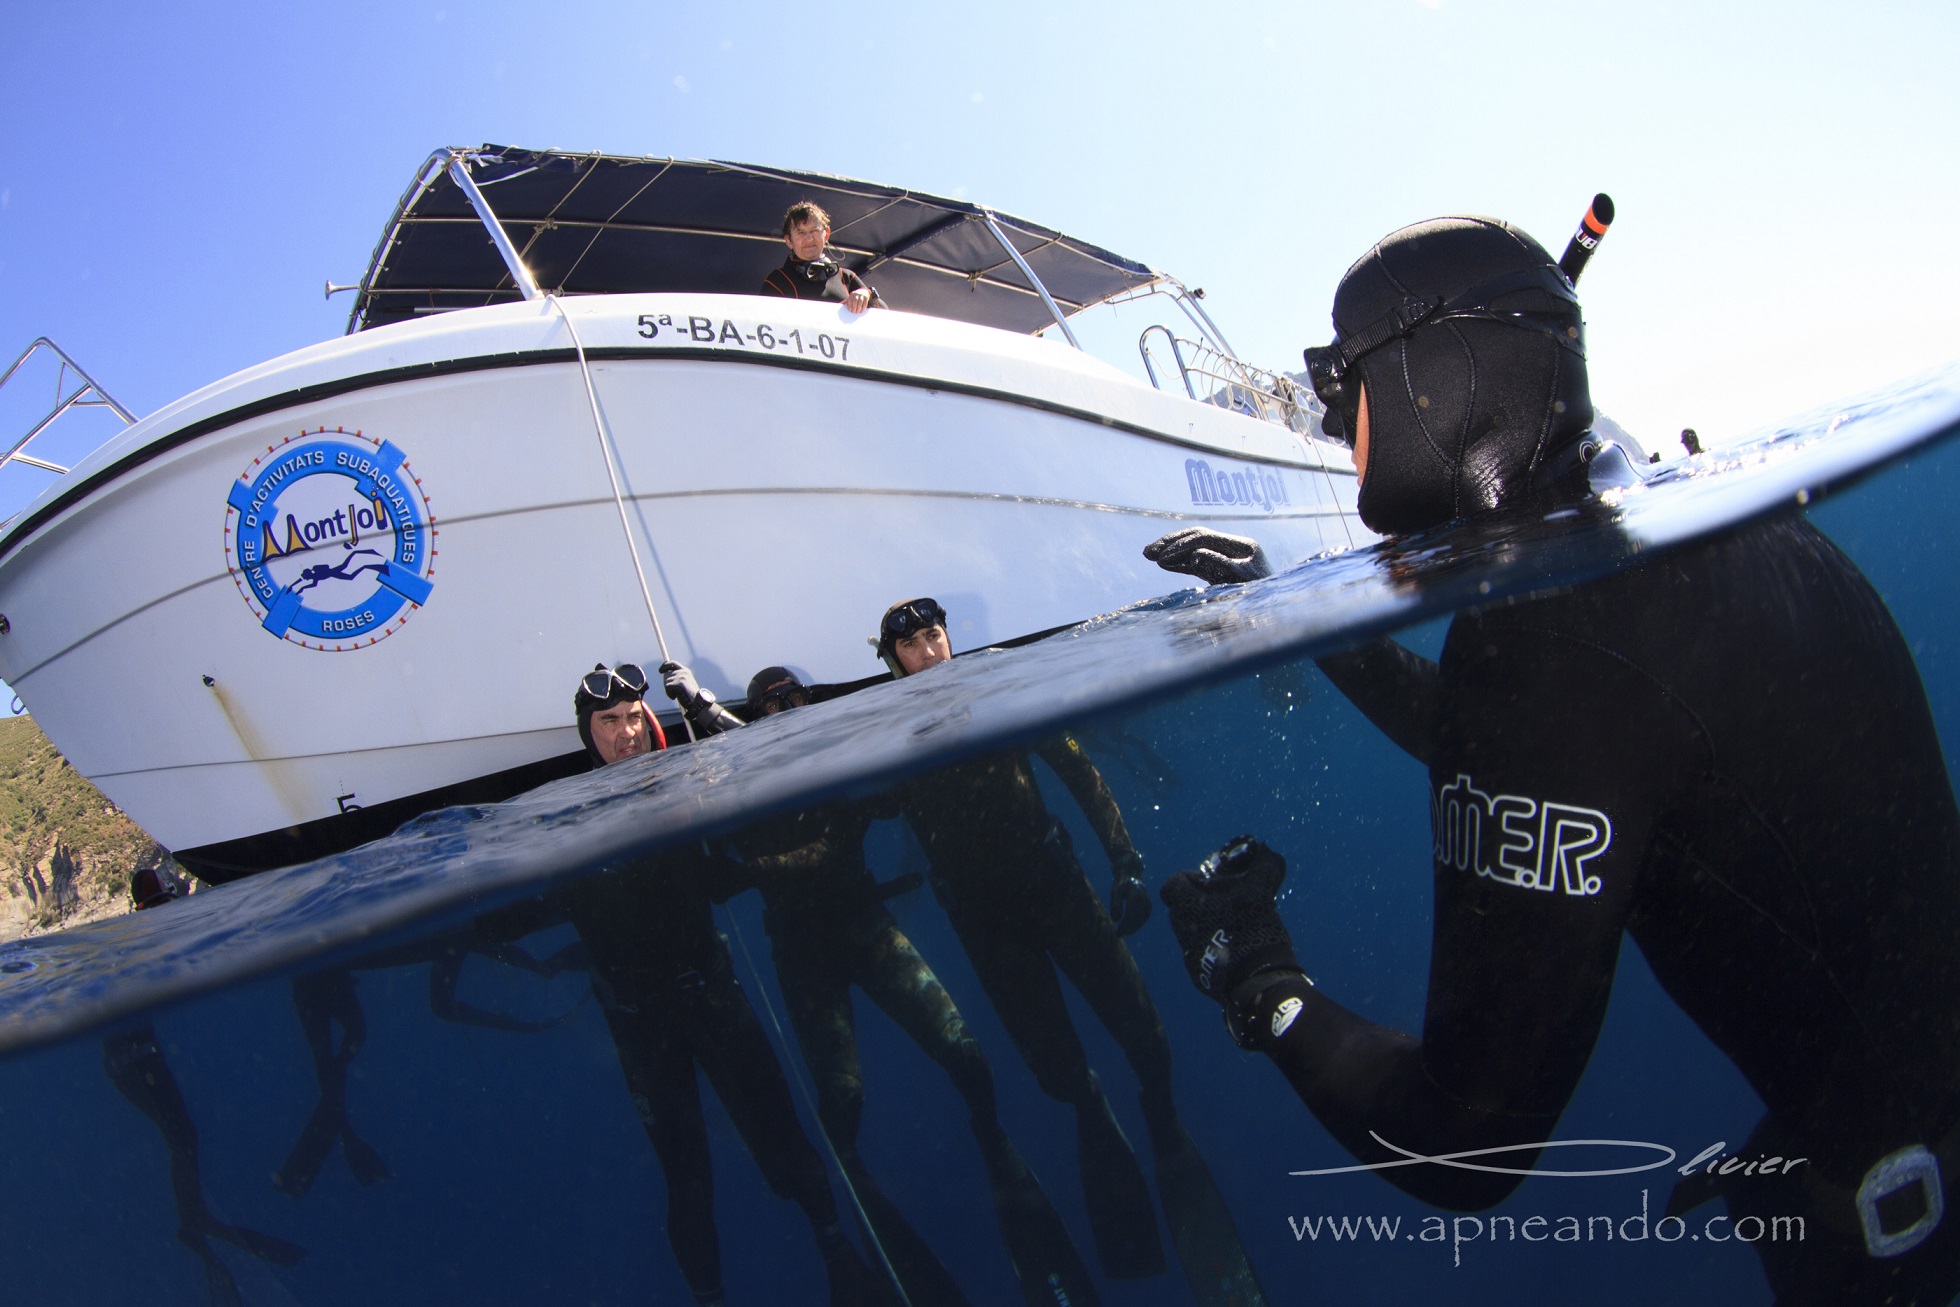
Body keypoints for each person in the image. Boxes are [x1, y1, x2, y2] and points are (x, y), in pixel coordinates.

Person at [1150, 216, 1960, 1304]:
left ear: (1437, 373)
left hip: (1898, 1226)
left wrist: (1254, 972)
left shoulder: (1547, 648)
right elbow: (1572, 754)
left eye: (1337, 378)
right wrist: (1293, 615)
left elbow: (1461, 1142)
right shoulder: (1713, 527)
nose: (1331, 417)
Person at [660, 662, 1098, 1307]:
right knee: (842, 1101)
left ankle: (992, 1143)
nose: (782, 711)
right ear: (753, 718)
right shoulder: (737, 780)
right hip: (804, 958)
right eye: (769, 705)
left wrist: (754, 866)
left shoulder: (833, 762)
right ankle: (859, 1201)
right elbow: (712, 869)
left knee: (967, 1054)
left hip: (869, 932)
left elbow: (838, 840)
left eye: (794, 699)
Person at [874, 599, 1270, 1306]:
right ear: (891, 657)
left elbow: (1078, 769)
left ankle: (1160, 1114)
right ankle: (1093, 1113)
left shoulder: (996, 686)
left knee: (1141, 1030)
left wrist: (1125, 862)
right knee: (1056, 1068)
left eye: (936, 635)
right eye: (913, 644)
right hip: (986, 925)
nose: (930, 652)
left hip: (1058, 891)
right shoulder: (879, 731)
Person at [562, 661, 879, 1307]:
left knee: (783, 1137)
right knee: (689, 1176)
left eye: (631, 719)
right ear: (586, 733)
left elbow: (769, 776)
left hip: (712, 992)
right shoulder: (568, 820)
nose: (626, 734)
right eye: (609, 723)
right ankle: (711, 1296)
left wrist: (705, 711)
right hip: (643, 1023)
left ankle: (834, 1245)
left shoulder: (685, 783)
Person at [106, 864, 306, 1306]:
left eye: (166, 902)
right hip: (132, 1061)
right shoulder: (144, 938)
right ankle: (193, 1220)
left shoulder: (140, 938)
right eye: (159, 903)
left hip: (132, 1061)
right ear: (145, 907)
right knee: (183, 1136)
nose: (164, 909)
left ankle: (193, 1219)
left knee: (183, 1136)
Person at [760, 201, 884, 311]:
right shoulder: (778, 280)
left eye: (814, 231)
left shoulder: (846, 277)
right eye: (800, 232)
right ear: (788, 240)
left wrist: (868, 294)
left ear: (826, 234)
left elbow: (886, 315)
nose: (809, 238)